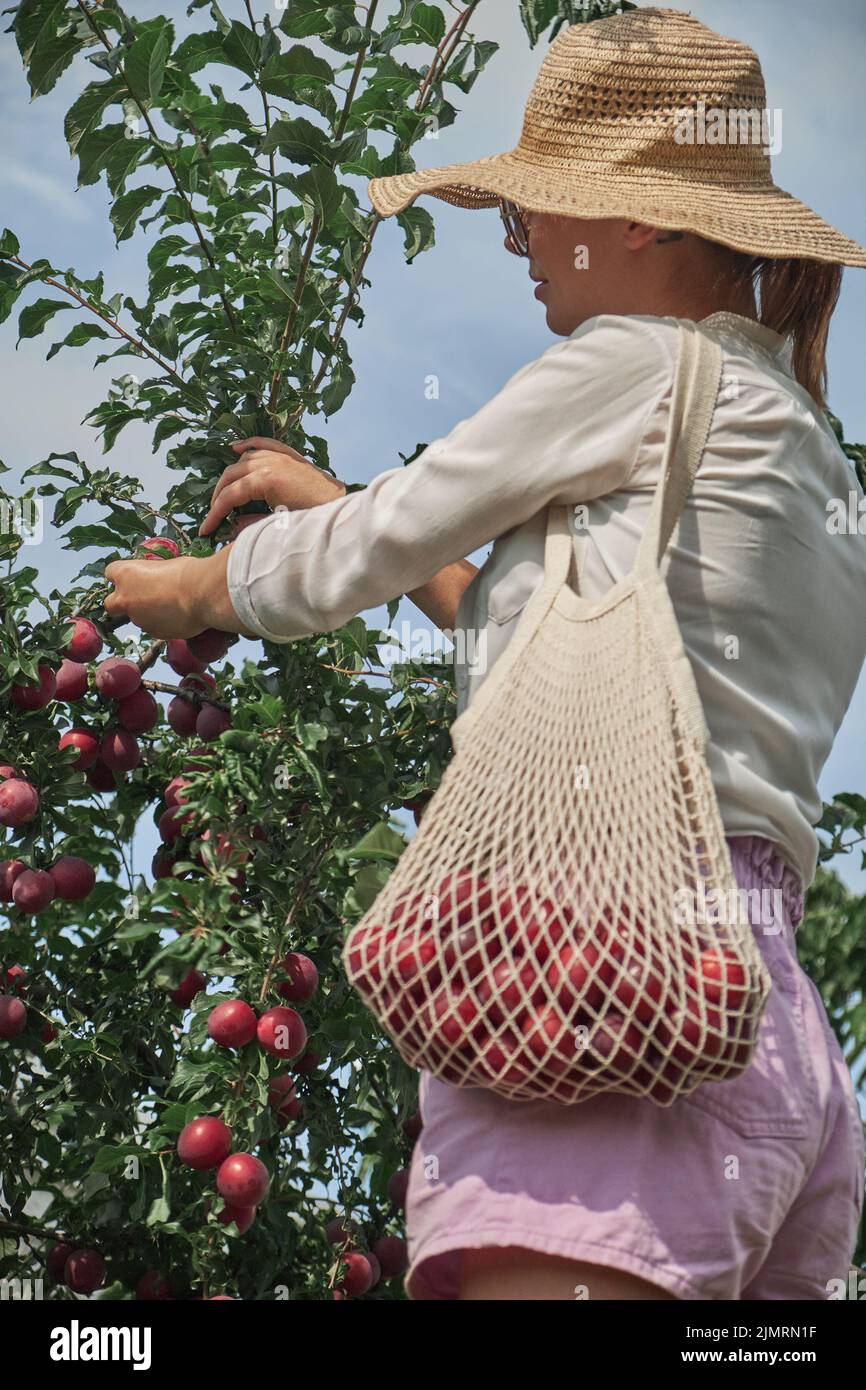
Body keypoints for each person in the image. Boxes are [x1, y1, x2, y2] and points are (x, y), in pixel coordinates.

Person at [106, 8, 866, 1300]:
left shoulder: (626, 363)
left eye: (525, 218)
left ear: (634, 220)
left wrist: (197, 590)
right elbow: (573, 638)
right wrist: (335, 493)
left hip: (601, 966)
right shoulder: (800, 444)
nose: (517, 253)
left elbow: (382, 541)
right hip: (760, 1013)